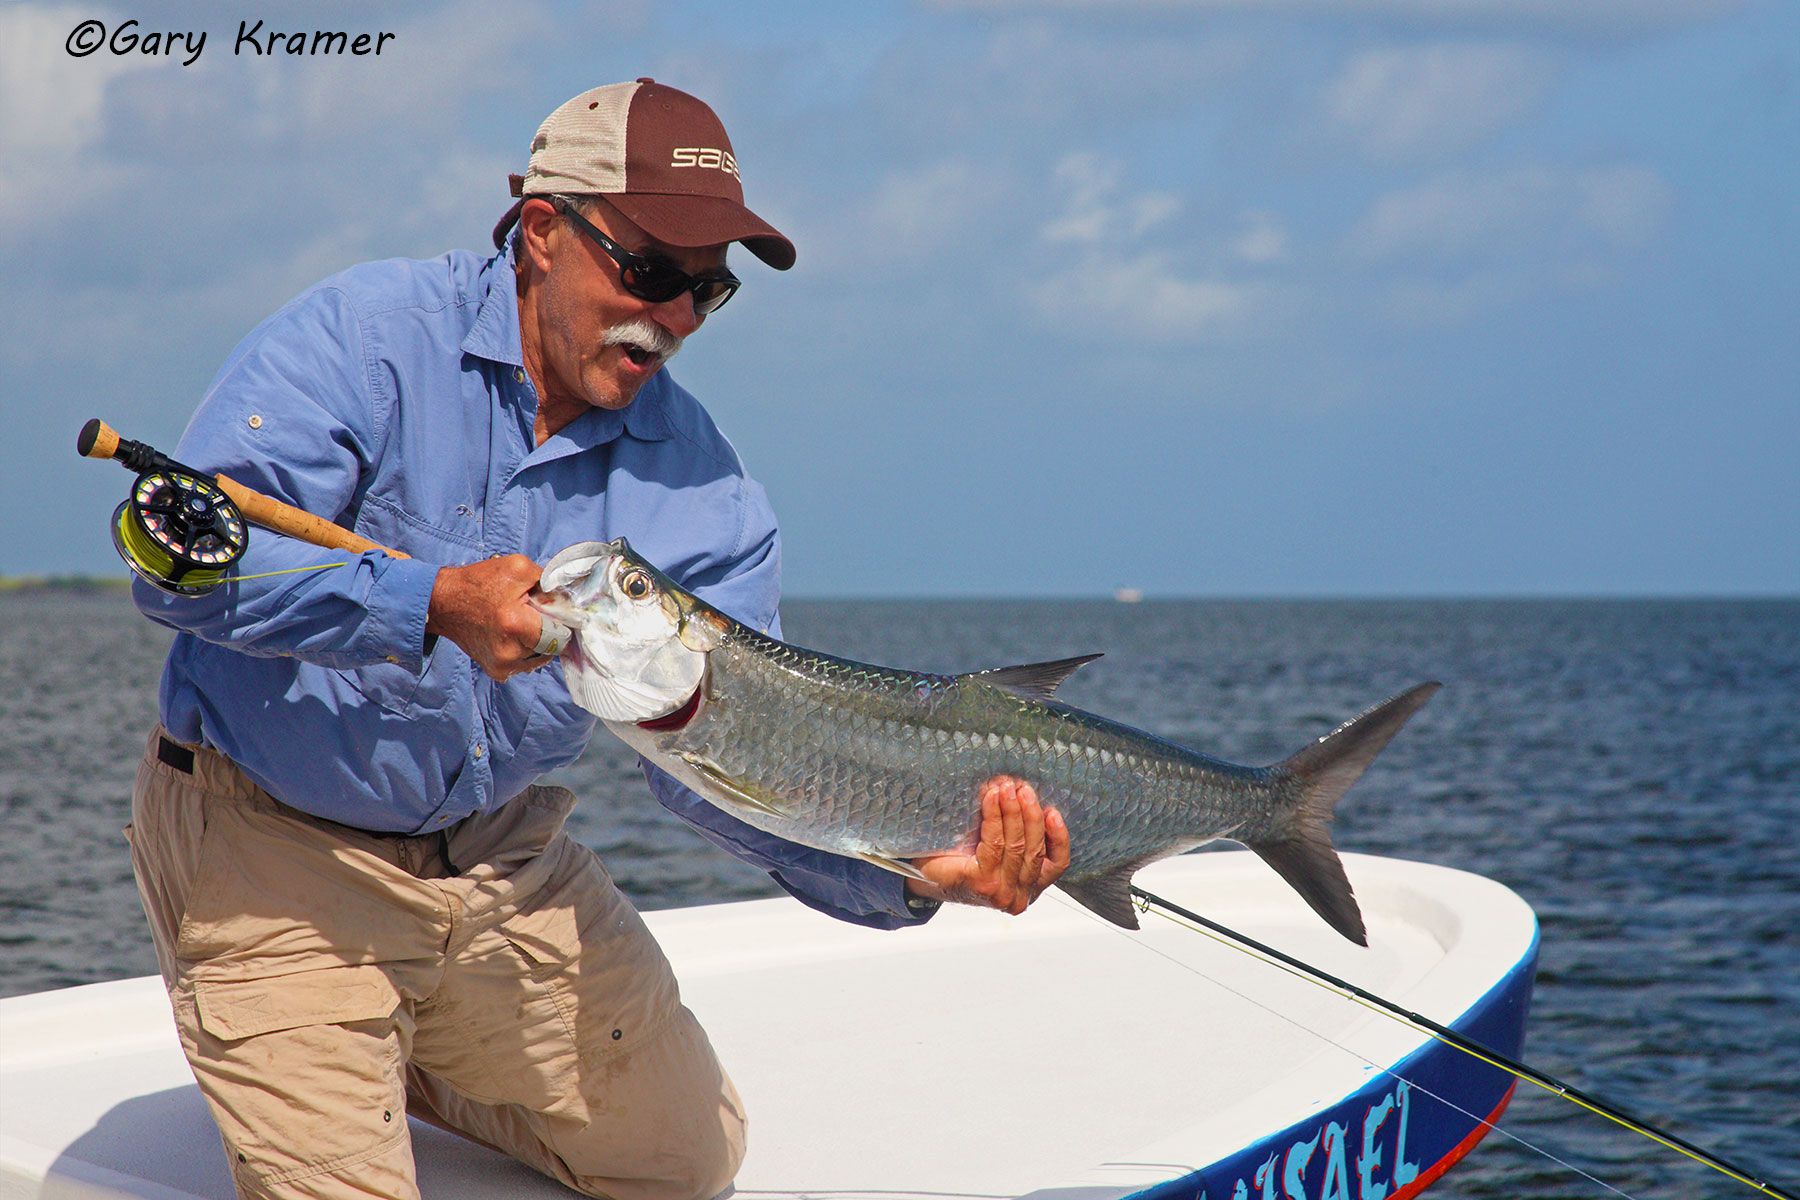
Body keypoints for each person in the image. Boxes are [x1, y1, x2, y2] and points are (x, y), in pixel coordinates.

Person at [126, 80, 1071, 1200]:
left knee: (687, 1158)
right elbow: (180, 579)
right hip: (275, 846)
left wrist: (910, 875)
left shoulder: (705, 487)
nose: (671, 319)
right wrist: (428, 605)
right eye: (651, 273)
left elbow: (721, 769)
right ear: (540, 232)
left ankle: (408, 1052)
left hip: (500, 854)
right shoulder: (363, 342)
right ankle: (341, 1041)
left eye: (705, 292)